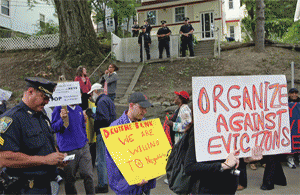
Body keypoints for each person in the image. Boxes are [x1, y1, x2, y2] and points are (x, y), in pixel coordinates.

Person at [0, 77, 67, 194]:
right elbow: (4, 158)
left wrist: (58, 157)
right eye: (44, 97)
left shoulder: (42, 115)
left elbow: (46, 143)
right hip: (25, 188)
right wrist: (45, 160)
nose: (47, 102)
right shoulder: (11, 119)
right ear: (30, 92)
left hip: (46, 185)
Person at [184, 123, 263, 194]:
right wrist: (223, 166)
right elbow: (189, 167)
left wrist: (245, 160)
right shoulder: (200, 128)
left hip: (229, 188)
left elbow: (229, 160)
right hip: (208, 190)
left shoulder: (232, 125)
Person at [105, 92, 156, 194]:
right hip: (126, 187)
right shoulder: (115, 128)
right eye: (142, 108)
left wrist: (154, 172)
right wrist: (130, 182)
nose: (145, 111)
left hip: (145, 184)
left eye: (146, 109)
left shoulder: (146, 124)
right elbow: (112, 163)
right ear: (131, 105)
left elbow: (151, 152)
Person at [51, 104, 95, 195]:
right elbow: (53, 128)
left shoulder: (79, 108)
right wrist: (61, 119)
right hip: (68, 150)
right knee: (69, 179)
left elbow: (82, 126)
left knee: (88, 174)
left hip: (83, 147)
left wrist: (85, 139)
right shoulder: (59, 108)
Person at [86, 83, 116, 193]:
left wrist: (92, 115)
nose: (91, 96)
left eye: (92, 93)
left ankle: (102, 185)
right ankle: (107, 181)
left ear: (96, 92)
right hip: (109, 132)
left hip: (103, 132)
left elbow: (103, 118)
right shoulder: (108, 100)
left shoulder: (101, 101)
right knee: (107, 158)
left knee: (101, 160)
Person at [286, 87, 300, 169]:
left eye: (295, 93)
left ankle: (298, 157)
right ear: (289, 94)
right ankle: (290, 158)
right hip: (290, 125)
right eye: (292, 93)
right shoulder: (285, 102)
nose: (294, 95)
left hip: (298, 125)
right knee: (290, 141)